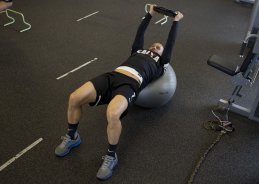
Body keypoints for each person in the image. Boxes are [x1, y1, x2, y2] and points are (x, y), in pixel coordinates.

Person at [55, 4, 184, 181]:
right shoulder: (137, 50)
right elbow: (140, 33)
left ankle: (110, 157)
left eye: (159, 47)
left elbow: (170, 43)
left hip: (131, 84)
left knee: (113, 113)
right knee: (74, 97)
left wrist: (176, 22)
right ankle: (72, 136)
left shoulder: (162, 61)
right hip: (112, 75)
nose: (156, 46)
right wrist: (150, 15)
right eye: (154, 45)